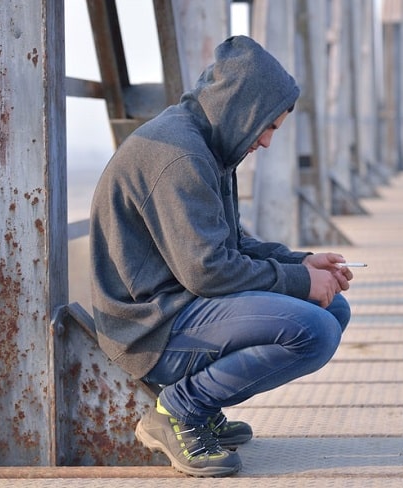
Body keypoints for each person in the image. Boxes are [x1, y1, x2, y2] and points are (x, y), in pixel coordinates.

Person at [89, 35, 353, 478]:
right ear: (241, 108)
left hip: (180, 306)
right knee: (315, 330)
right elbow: (207, 271)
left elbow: (233, 245)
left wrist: (302, 264)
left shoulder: (206, 146)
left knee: (332, 306)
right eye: (267, 126)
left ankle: (201, 404)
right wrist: (297, 282)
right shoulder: (178, 156)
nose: (267, 142)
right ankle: (180, 409)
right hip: (149, 328)